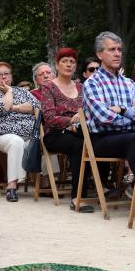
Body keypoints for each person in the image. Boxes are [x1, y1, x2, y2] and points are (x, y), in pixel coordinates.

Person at [81, 31, 135, 202]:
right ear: (100, 54)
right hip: (101, 139)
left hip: (128, 136)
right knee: (134, 139)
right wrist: (132, 116)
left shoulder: (129, 83)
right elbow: (104, 118)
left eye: (119, 49)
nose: (117, 53)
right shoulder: (92, 83)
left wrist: (122, 110)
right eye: (112, 49)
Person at [0, 61, 39, 202]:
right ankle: (12, 186)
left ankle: (46, 184)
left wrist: (14, 107)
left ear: (11, 76)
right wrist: (9, 93)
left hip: (29, 133)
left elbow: (37, 107)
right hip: (0, 136)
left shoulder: (23, 92)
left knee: (44, 139)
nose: (3, 77)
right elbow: (1, 108)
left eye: (6, 74)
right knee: (16, 141)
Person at [39, 47, 88, 211]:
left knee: (95, 140)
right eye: (64, 61)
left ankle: (101, 186)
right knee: (79, 145)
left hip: (81, 130)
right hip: (55, 134)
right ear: (57, 65)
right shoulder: (48, 87)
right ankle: (77, 196)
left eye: (72, 62)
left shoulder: (81, 87)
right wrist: (71, 120)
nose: (69, 65)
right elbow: (50, 118)